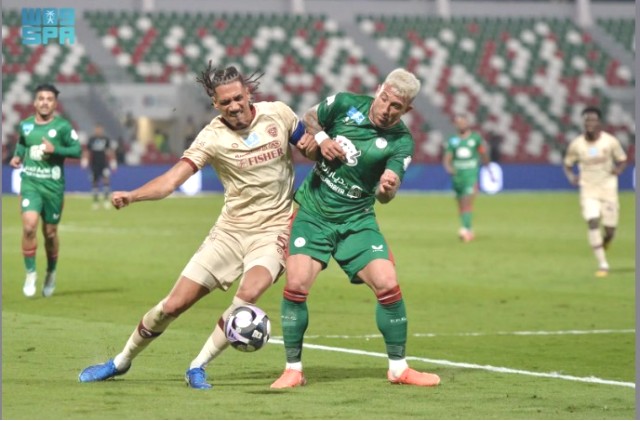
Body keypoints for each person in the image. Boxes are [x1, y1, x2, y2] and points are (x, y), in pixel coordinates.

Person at [78, 63, 310, 389]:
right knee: (172, 305)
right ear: (215, 103)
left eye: (238, 98)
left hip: (273, 231)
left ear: (248, 94)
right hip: (229, 232)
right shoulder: (212, 137)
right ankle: (120, 361)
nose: (234, 106)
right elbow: (171, 180)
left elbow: (311, 146)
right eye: (225, 102)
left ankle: (197, 366)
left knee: (249, 294)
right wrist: (133, 195)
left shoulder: (279, 114)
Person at [270, 68, 441, 389]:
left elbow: (386, 196)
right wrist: (322, 139)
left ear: (407, 110)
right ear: (378, 90)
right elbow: (310, 117)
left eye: (396, 106)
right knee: (296, 283)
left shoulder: (401, 142)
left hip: (357, 220)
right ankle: (293, 369)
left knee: (387, 282)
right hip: (314, 214)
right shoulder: (346, 103)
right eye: (385, 99)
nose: (387, 109)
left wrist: (387, 188)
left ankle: (398, 368)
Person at [9, 83, 82, 298]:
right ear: (34, 102)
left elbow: (77, 150)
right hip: (30, 184)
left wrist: (55, 149)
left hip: (53, 187)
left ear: (55, 104)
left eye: (49, 99)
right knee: (29, 227)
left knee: (50, 234)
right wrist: (17, 156)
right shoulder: (25, 125)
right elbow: (22, 143)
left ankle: (51, 272)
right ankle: (30, 273)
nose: (45, 102)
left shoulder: (63, 127)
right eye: (41, 98)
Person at [563, 106, 627, 277]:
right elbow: (567, 163)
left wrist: (619, 169)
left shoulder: (610, 141)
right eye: (587, 120)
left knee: (610, 230)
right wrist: (571, 176)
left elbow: (622, 159)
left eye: (593, 120)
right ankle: (603, 264)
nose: (590, 123)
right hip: (588, 189)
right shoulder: (577, 144)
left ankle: (605, 242)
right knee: (592, 221)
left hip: (608, 189)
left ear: (599, 123)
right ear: (583, 123)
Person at [442, 114, 492, 242]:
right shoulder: (453, 140)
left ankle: (466, 229)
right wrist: (448, 168)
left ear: (467, 123)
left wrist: (489, 169)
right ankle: (467, 228)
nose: (461, 125)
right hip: (457, 177)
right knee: (461, 204)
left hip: (471, 176)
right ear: (455, 125)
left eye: (463, 122)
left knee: (466, 201)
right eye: (459, 123)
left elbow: (483, 154)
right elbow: (447, 158)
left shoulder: (475, 138)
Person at [81, 124, 118, 210]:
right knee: (94, 182)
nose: (98, 131)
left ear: (102, 130)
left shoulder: (106, 139)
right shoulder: (91, 140)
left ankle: (106, 200)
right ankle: (96, 201)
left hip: (103, 164)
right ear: (95, 130)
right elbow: (87, 151)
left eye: (100, 129)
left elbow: (110, 151)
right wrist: (85, 160)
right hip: (94, 164)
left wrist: (113, 163)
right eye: (97, 129)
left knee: (106, 180)